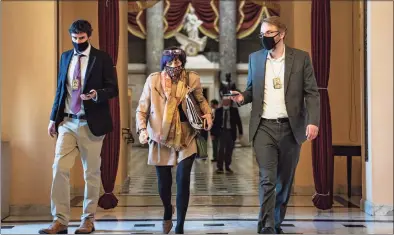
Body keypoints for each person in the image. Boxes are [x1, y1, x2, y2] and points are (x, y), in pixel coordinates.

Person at [230, 16, 320, 234]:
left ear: (281, 34)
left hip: (291, 129)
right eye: (262, 34)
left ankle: (274, 222)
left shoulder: (300, 59)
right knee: (267, 179)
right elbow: (252, 89)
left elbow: (312, 93)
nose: (264, 38)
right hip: (264, 128)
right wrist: (242, 97)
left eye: (269, 33)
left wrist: (313, 122)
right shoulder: (255, 59)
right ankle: (268, 225)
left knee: (284, 181)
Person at [39, 20, 118, 234]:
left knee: (91, 173)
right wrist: (52, 119)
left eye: (81, 38)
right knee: (59, 168)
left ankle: (88, 219)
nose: (77, 42)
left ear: (88, 36)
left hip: (91, 123)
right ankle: (60, 220)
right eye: (74, 38)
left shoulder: (102, 58)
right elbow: (60, 90)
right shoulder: (66, 57)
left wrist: (96, 95)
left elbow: (113, 89)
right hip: (67, 122)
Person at [136, 46, 213, 234]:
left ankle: (180, 225)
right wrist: (142, 130)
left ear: (183, 62)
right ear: (164, 63)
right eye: (170, 62)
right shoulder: (153, 80)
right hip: (160, 136)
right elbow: (142, 108)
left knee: (183, 178)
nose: (174, 66)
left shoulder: (191, 78)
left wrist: (209, 114)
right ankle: (168, 210)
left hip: (187, 135)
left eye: (177, 62)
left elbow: (201, 100)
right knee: (164, 184)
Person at [211, 97, 243, 174]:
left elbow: (238, 121)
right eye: (224, 100)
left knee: (229, 150)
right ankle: (220, 167)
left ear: (229, 102)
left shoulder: (234, 110)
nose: (225, 102)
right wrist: (212, 133)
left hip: (230, 132)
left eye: (227, 101)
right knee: (220, 150)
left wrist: (240, 132)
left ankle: (227, 166)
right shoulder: (218, 111)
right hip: (221, 132)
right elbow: (214, 123)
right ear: (222, 101)